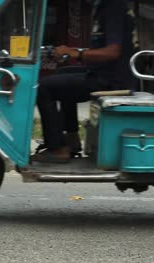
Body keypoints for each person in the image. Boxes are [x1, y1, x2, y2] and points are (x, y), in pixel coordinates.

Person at [31, 0, 135, 163]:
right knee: (62, 74)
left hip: (110, 81)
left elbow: (113, 52)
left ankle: (57, 149)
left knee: (43, 87)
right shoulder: (104, 7)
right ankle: (72, 139)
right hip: (103, 74)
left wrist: (77, 54)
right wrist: (73, 52)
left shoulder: (113, 7)